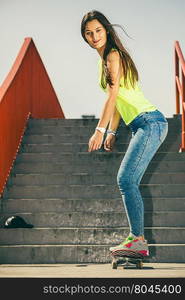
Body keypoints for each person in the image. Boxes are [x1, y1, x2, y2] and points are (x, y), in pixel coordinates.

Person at [81, 10, 168, 257]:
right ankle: (136, 238)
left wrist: (99, 130)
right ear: (85, 38)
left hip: (150, 122)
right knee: (128, 180)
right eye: (88, 33)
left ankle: (137, 239)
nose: (94, 36)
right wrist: (111, 131)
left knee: (126, 180)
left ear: (106, 30)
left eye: (98, 30)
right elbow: (118, 100)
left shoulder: (112, 55)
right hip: (142, 124)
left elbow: (111, 96)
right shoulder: (105, 60)